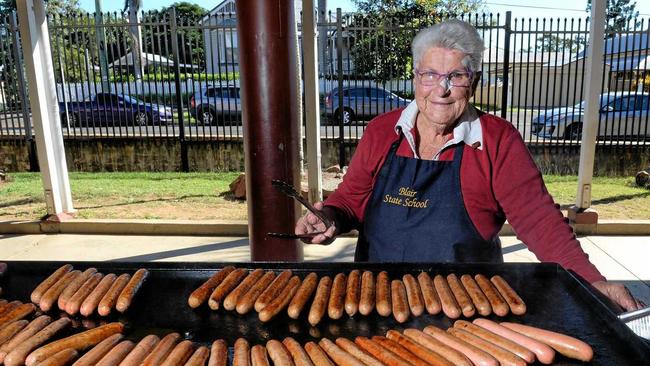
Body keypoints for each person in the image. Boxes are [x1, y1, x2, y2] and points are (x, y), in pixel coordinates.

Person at [295, 19, 643, 311]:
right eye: (430, 74)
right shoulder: (382, 131)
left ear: (473, 83)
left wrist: (592, 281)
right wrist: (330, 218)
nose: (441, 89)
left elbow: (539, 220)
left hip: (467, 311)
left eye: (456, 76)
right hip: (377, 301)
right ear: (416, 78)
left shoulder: (496, 139)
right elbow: (351, 199)